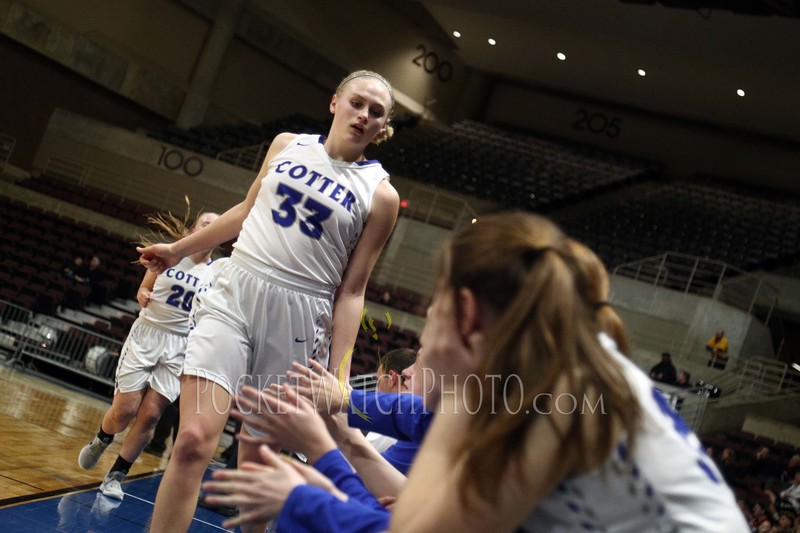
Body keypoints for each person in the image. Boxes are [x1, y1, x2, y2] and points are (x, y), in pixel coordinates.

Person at [202, 212, 750, 532]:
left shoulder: (558, 401)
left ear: (465, 313)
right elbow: (422, 422)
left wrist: (313, 482)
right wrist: (342, 408)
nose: (424, 333)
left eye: (432, 310)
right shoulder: (536, 371)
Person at [137, 69, 400, 532]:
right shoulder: (286, 145)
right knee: (194, 440)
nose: (364, 115)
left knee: (256, 470)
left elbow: (353, 290)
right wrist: (177, 251)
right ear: (335, 102)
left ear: (383, 127)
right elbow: (244, 212)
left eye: (376, 112)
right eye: (357, 102)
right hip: (236, 292)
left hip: (300, 318)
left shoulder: (380, 195)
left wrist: (338, 376)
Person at [77, 211, 219, 500]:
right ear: (194, 229)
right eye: (207, 223)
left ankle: (116, 476)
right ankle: (103, 438)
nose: (211, 228)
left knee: (151, 416)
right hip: (148, 334)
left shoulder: (218, 272)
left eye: (217, 226)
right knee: (124, 412)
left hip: (181, 346)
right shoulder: (171, 255)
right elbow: (144, 287)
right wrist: (142, 294)